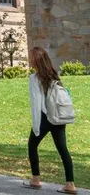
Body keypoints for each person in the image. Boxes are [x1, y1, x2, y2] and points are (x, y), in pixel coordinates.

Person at [23, 47, 76, 194]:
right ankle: (70, 184)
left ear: (36, 61)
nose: (30, 61)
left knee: (32, 145)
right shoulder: (53, 74)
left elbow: (36, 104)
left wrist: (36, 126)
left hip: (45, 117)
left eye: (31, 58)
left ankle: (35, 179)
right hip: (59, 116)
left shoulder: (35, 78)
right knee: (62, 149)